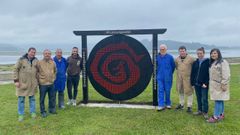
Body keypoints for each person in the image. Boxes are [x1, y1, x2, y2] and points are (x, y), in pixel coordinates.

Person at [13, 47, 38, 121]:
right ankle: (21, 114)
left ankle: (33, 112)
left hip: (32, 83)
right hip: (22, 83)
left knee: (32, 99)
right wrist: (16, 81)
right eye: (31, 52)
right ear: (28, 52)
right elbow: (15, 70)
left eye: (34, 52)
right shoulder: (21, 60)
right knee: (21, 99)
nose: (33, 53)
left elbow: (38, 70)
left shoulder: (36, 60)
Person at [207, 48, 230, 123]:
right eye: (212, 53)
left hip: (220, 85)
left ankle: (215, 117)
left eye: (215, 53)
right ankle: (221, 114)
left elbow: (226, 74)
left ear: (218, 54)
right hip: (214, 85)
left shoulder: (223, 62)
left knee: (218, 100)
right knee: (220, 100)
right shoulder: (214, 62)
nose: (213, 55)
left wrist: (224, 84)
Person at [191, 47, 210, 119]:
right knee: (198, 98)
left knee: (204, 98)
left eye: (201, 53)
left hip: (204, 84)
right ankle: (200, 110)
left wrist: (206, 83)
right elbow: (193, 73)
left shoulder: (207, 62)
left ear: (204, 53)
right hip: (196, 83)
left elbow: (209, 74)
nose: (199, 55)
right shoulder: (195, 62)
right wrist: (192, 83)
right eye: (198, 53)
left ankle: (205, 112)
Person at [37, 49, 57, 118]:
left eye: (49, 53)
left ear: (50, 55)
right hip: (43, 84)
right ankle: (43, 111)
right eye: (46, 53)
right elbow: (37, 72)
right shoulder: (39, 63)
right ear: (43, 54)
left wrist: (53, 78)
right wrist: (39, 80)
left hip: (51, 83)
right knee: (42, 98)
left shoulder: (53, 63)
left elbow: (55, 71)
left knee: (52, 98)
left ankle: (51, 109)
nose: (47, 55)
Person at [175, 46, 195, 113]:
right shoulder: (177, 59)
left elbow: (194, 68)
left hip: (188, 79)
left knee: (189, 92)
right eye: (180, 51)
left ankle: (189, 106)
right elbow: (177, 67)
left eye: (183, 51)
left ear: (186, 51)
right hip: (180, 78)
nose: (182, 52)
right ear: (179, 52)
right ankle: (181, 104)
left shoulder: (191, 59)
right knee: (180, 91)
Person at [156, 44, 175, 111]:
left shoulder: (170, 57)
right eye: (161, 49)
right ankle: (161, 105)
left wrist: (169, 74)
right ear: (159, 50)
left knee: (167, 90)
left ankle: (168, 103)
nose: (162, 50)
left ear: (166, 49)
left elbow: (173, 67)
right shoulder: (157, 57)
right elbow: (155, 66)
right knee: (160, 90)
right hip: (160, 77)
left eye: (163, 49)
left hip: (168, 78)